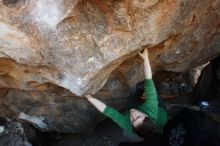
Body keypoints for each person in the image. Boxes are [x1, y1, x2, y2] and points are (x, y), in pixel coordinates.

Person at [85, 48, 168, 140]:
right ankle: (144, 92)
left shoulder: (127, 125)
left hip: (147, 119)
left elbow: (109, 112)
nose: (133, 115)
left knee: (131, 103)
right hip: (161, 114)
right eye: (138, 117)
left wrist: (90, 98)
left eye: (133, 120)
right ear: (146, 115)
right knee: (152, 93)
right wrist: (145, 59)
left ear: (131, 126)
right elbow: (148, 81)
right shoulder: (152, 108)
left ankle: (140, 94)